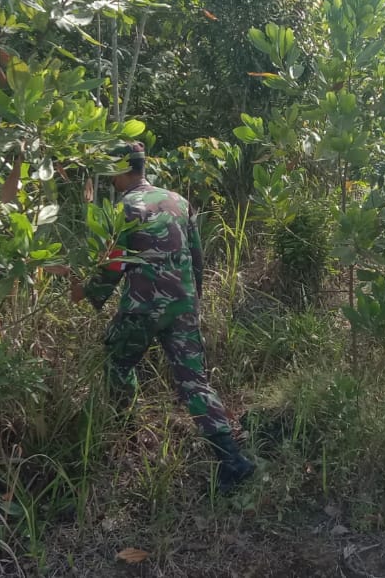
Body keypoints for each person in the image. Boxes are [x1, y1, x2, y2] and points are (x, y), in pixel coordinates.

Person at [47, 140, 256, 493]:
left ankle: (126, 439)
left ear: (122, 170)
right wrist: (192, 301)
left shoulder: (124, 209)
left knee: (116, 364)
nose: (110, 180)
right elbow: (197, 257)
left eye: (112, 172)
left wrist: (83, 288)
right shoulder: (179, 201)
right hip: (183, 305)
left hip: (142, 308)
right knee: (194, 383)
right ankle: (232, 460)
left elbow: (113, 266)